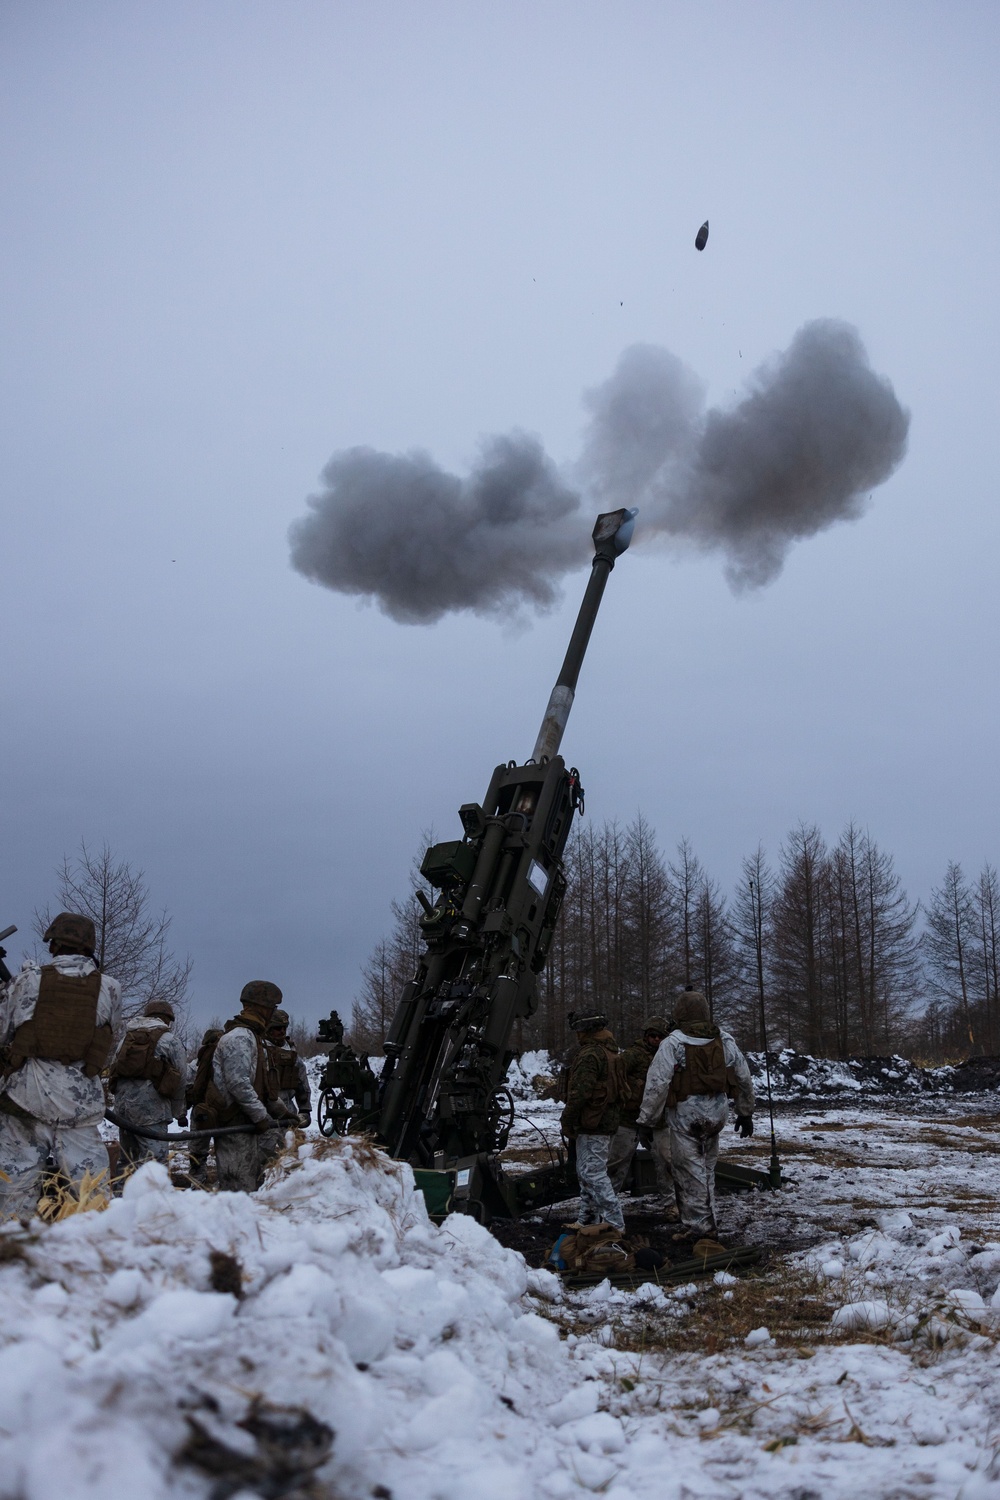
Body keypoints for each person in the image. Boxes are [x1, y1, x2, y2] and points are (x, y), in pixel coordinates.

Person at [0, 912, 122, 1217]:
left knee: (14, 1192)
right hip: (79, 1106)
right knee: (91, 1194)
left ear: (53, 945)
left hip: (26, 1099)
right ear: (90, 948)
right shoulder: (110, 988)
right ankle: (94, 1252)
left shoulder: (28, 981)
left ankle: (15, 1250)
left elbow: (3, 1030)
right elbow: (109, 1034)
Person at [637, 988, 755, 1243]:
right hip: (717, 1114)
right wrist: (745, 1112)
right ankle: (705, 1220)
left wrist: (646, 1121)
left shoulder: (675, 1041)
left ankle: (700, 1230)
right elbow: (744, 1076)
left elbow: (657, 1084)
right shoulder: (723, 1039)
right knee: (707, 1168)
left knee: (687, 1170)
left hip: (686, 1116)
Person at [206, 981, 293, 1192]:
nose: (274, 1012)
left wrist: (283, 1113)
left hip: (244, 1125)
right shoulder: (239, 1038)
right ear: (262, 1007)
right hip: (234, 1125)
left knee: (248, 1185)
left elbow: (261, 1087)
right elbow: (238, 1083)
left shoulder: (252, 1038)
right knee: (238, 1189)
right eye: (272, 1007)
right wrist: (261, 1116)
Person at [560, 1011, 625, 1234]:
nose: (576, 1035)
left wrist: (567, 1119)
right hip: (601, 1120)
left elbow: (580, 1092)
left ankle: (615, 1223)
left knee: (594, 1173)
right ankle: (587, 1220)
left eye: (578, 1030)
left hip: (593, 1121)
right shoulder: (609, 1050)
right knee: (585, 1172)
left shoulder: (590, 1054)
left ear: (585, 1031)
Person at [108, 998, 188, 1171]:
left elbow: (114, 1069)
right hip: (153, 1111)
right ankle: (151, 1197)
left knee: (127, 1162)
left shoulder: (126, 1039)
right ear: (167, 1019)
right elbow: (182, 1079)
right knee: (154, 1164)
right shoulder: (170, 1040)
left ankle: (122, 1196)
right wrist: (178, 1111)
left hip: (124, 1110)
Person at [607, 1016, 675, 1211]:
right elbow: (615, 1077)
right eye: (652, 1035)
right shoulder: (633, 1055)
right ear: (646, 1036)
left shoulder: (668, 1056)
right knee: (616, 1163)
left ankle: (671, 1204)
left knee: (667, 1162)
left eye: (660, 1036)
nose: (656, 1039)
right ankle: (606, 1206)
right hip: (629, 1119)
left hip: (658, 1120)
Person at [185, 1026, 222, 1182]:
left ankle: (202, 1178)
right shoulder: (196, 1065)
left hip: (213, 1110)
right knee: (198, 1148)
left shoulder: (199, 1064)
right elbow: (187, 1088)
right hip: (203, 1111)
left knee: (220, 1148)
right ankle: (197, 1179)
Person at [265, 1009, 311, 1124]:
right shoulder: (260, 1049)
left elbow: (301, 1078)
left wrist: (304, 1108)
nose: (282, 1031)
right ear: (268, 1029)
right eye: (278, 1028)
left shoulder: (290, 1050)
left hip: (289, 1112)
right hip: (266, 1112)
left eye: (284, 1028)